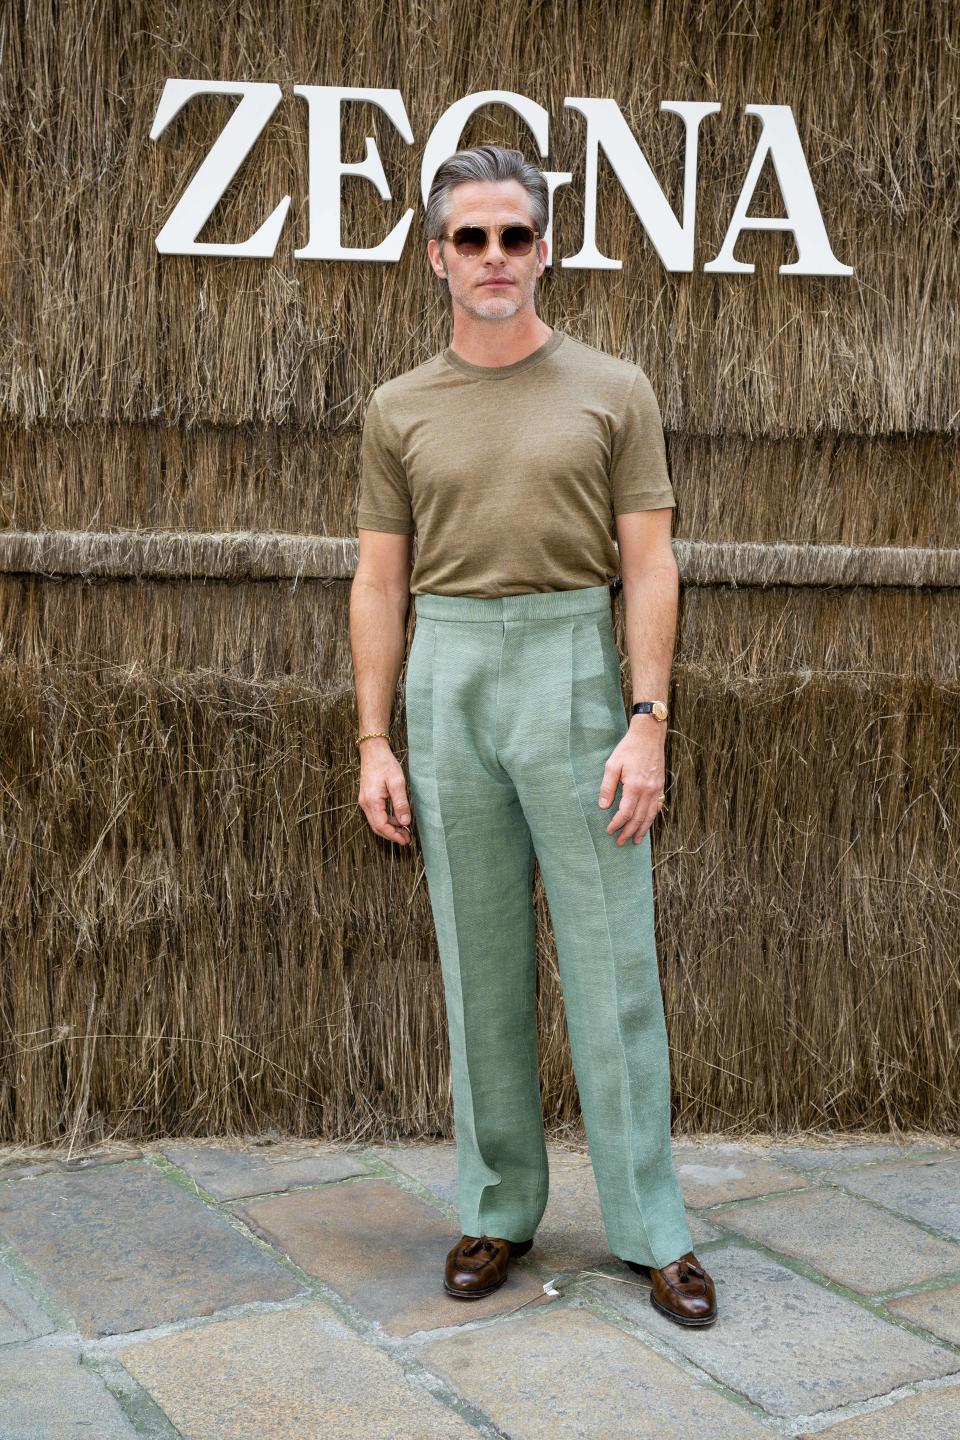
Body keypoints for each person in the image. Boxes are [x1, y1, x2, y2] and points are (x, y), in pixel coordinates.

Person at [350, 143, 716, 1328]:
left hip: (572, 667)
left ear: (544, 249)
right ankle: (499, 1210)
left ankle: (653, 1229)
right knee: (479, 961)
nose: (495, 257)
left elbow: (650, 564)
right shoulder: (398, 408)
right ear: (436, 256)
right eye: (472, 237)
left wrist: (647, 720)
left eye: (515, 235)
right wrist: (374, 738)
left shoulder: (614, 389)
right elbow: (376, 584)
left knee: (616, 963)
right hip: (447, 671)